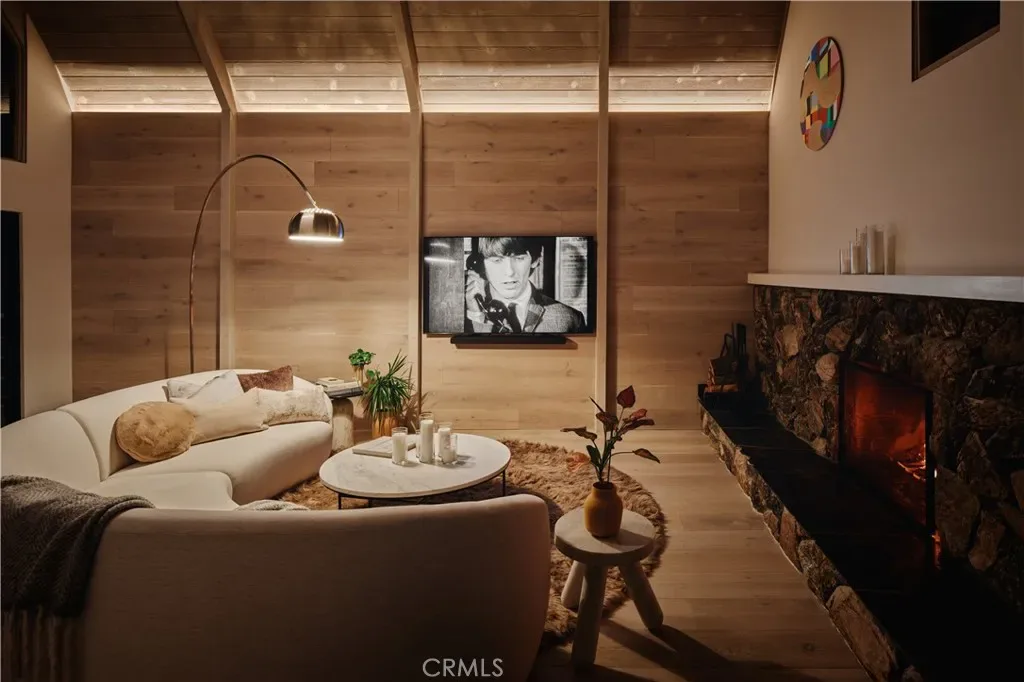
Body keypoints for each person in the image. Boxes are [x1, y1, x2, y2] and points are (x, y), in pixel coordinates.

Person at [465, 237, 586, 334]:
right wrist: (477, 317)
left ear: (535, 260)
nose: (510, 272)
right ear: (480, 265)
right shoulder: (462, 318)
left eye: (519, 258)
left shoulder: (569, 319)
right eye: (497, 260)